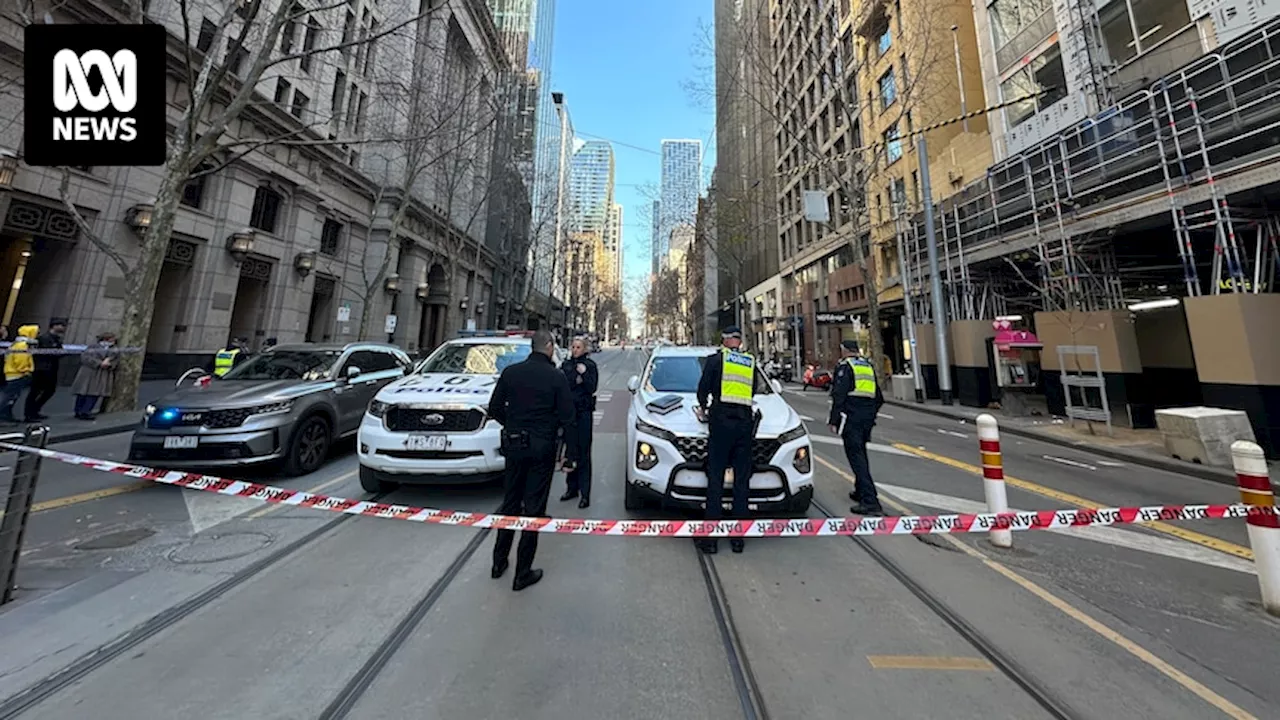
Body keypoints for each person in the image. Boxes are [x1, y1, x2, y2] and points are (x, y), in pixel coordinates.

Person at [487, 329, 578, 592]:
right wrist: (570, 455)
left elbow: (494, 408)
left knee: (510, 502)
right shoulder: (556, 377)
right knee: (534, 509)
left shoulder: (511, 373)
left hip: (514, 445)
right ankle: (522, 572)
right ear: (549, 346)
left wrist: (513, 424)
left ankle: (498, 562)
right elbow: (568, 418)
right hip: (542, 448)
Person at [694, 326, 757, 555]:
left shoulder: (715, 360)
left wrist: (703, 407)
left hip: (721, 423)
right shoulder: (749, 362)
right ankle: (738, 538)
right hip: (744, 425)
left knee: (716, 479)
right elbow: (754, 390)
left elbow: (703, 389)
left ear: (725, 340)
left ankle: (710, 539)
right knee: (741, 481)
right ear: (739, 341)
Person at [829, 340, 885, 516]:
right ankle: (860, 491)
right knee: (861, 452)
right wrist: (870, 413)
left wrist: (834, 420)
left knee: (856, 457)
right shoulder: (867, 366)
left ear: (844, 351)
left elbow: (839, 395)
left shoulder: (846, 367)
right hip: (866, 418)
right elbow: (879, 398)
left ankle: (870, 500)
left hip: (851, 418)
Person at [559, 336, 599, 508]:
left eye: (578, 347)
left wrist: (583, 375)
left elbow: (591, 387)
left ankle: (585, 493)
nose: (575, 350)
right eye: (573, 347)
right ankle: (571, 488)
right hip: (569, 414)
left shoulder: (590, 366)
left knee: (584, 453)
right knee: (570, 451)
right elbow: (564, 384)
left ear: (585, 349)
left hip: (584, 413)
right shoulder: (566, 365)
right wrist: (576, 379)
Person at [26, 317, 67, 420]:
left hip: (51, 368)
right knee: (35, 391)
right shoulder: (44, 338)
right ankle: (30, 413)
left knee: (49, 390)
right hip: (42, 369)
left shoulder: (56, 339)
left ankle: (35, 410)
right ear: (54, 326)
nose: (63, 327)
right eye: (61, 325)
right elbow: (46, 353)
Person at [72, 333, 120, 420]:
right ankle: (78, 411)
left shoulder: (114, 350)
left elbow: (115, 361)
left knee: (94, 393)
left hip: (102, 374)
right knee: (83, 392)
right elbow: (85, 357)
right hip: (89, 372)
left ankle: (86, 411)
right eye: (111, 339)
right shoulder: (93, 347)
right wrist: (99, 363)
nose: (113, 341)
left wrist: (109, 365)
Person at [0, 325, 38, 423]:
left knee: (11, 396)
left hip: (13, 373)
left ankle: (6, 415)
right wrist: (25, 370)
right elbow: (21, 360)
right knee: (9, 396)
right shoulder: (22, 345)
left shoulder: (18, 343)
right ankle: (3, 414)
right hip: (17, 374)